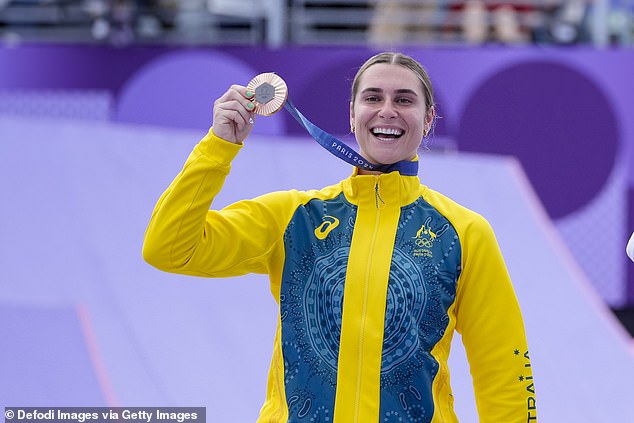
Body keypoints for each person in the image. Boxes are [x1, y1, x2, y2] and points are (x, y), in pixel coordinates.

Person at [143, 52, 537, 422]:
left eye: (404, 100)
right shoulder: (292, 217)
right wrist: (219, 147)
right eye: (372, 98)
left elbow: (503, 362)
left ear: (428, 118)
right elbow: (169, 248)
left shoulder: (463, 233)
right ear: (352, 115)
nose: (387, 111)